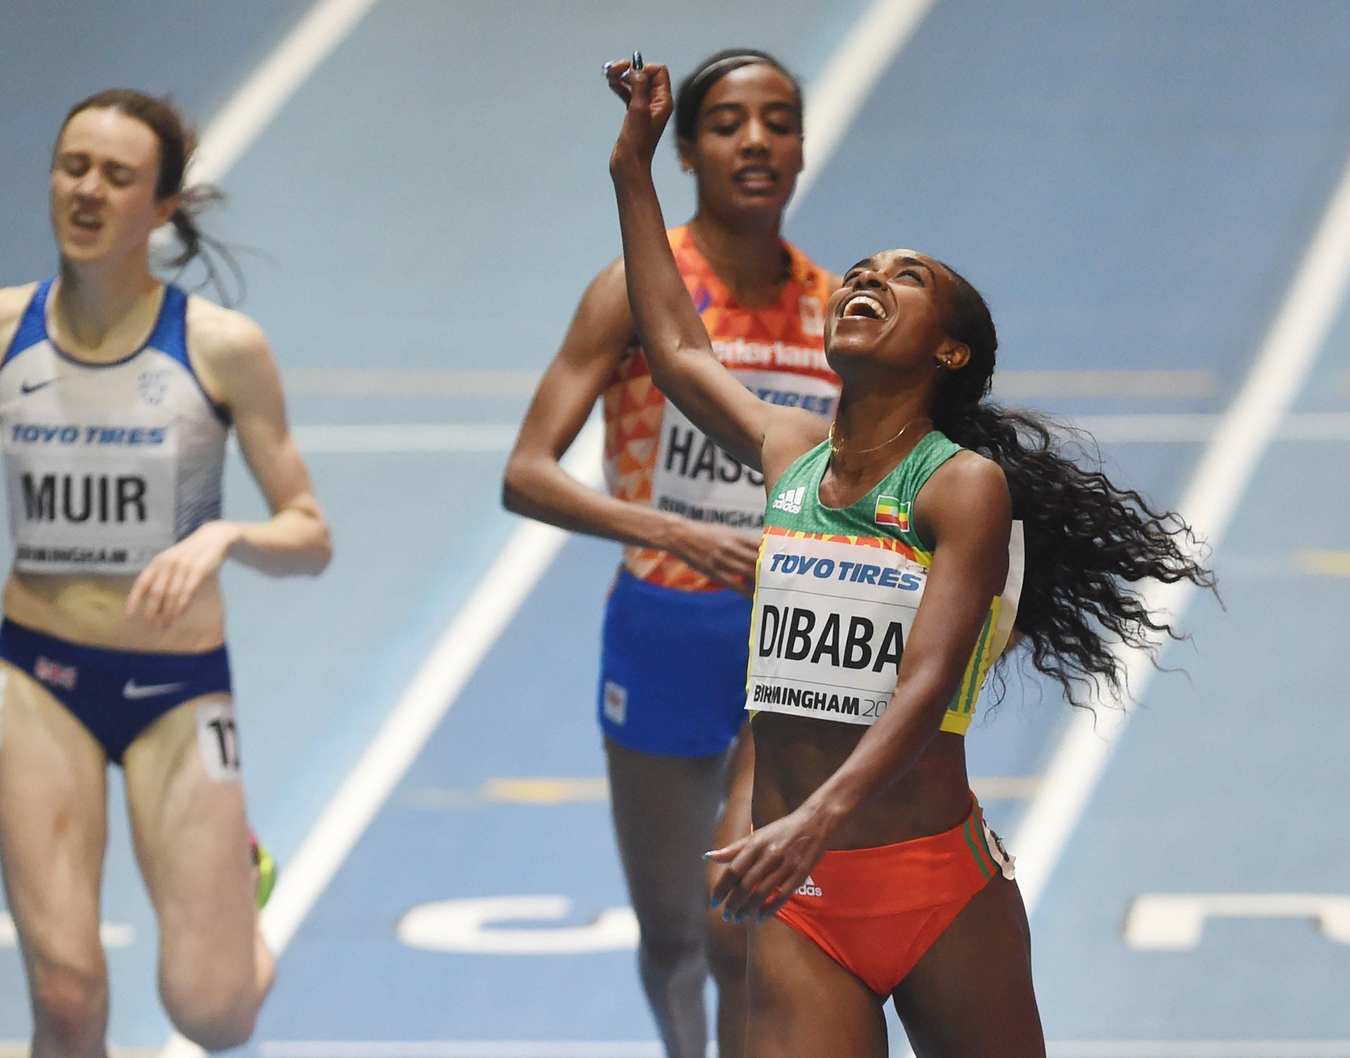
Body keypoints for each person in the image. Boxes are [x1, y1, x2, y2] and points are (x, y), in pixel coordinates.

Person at [603, 59, 1212, 1056]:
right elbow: (675, 348)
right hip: (798, 894)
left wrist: (813, 815)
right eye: (858, 272)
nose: (865, 281)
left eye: (905, 278)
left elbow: (924, 684)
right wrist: (633, 166)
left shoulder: (957, 485)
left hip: (934, 884)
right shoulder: (790, 453)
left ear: (951, 353)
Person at [0, 89, 331, 1057]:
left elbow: (311, 534)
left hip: (175, 684)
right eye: (73, 166)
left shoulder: (221, 349)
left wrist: (226, 538)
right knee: (67, 999)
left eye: (118, 176)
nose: (87, 189)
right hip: (38, 676)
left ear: (161, 207)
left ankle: (241, 876)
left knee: (212, 1011)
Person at [504, 49, 838, 1058]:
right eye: (730, 121)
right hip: (665, 622)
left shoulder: (836, 310)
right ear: (686, 149)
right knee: (672, 928)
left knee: (749, 909)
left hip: (793, 633)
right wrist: (675, 529)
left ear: (800, 148)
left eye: (778, 120)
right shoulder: (634, 294)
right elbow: (527, 472)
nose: (756, 140)